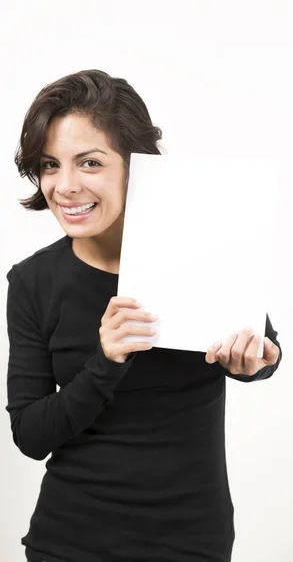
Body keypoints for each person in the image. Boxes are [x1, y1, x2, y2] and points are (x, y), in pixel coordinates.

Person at [5, 69, 282, 562]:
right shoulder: (33, 281)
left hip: (192, 541)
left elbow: (262, 349)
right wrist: (105, 361)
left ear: (135, 165)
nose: (65, 186)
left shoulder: (204, 253)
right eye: (49, 165)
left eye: (89, 162)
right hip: (69, 544)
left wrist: (257, 362)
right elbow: (30, 434)